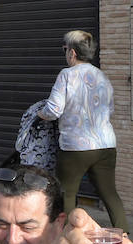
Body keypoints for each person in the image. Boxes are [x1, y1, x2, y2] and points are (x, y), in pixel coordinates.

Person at [37, 30, 128, 232]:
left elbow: (54, 109)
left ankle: (70, 235)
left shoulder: (67, 75)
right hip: (106, 145)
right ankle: (124, 235)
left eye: (65, 49)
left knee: (66, 193)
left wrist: (40, 115)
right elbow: (109, 108)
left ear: (72, 53)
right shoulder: (102, 76)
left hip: (76, 147)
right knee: (109, 193)